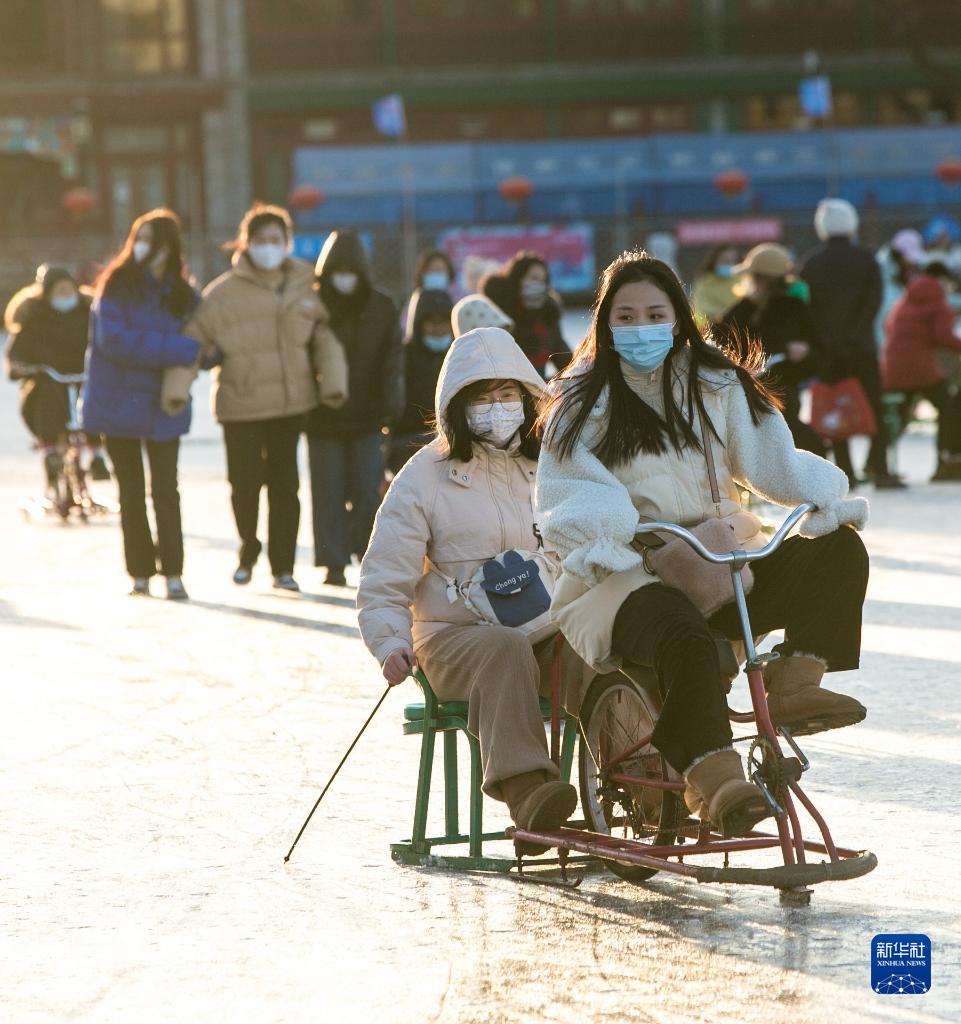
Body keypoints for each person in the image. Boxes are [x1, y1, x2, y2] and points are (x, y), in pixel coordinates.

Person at [536, 251, 869, 839]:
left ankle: (795, 685)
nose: (641, 328)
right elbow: (570, 491)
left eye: (655, 313)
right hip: (622, 569)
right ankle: (715, 781)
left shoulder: (714, 381)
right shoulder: (580, 400)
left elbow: (770, 459)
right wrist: (616, 535)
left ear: (679, 316)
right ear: (605, 323)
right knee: (684, 637)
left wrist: (820, 495)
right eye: (627, 316)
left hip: (721, 560)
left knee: (838, 551)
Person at [358, 327, 589, 849]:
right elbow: (384, 576)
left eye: (508, 396)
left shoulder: (548, 468)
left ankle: (637, 770)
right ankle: (529, 790)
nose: (497, 408)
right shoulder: (424, 476)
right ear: (457, 408)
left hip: (546, 621)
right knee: (503, 649)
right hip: (455, 639)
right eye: (482, 399)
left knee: (594, 645)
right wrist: (390, 641)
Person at [185, 204, 348, 590]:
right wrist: (177, 387)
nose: (268, 248)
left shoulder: (307, 285)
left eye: (276, 240)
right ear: (246, 244)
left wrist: (333, 383)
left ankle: (283, 566)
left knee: (285, 487)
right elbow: (193, 341)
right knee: (243, 485)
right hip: (240, 404)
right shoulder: (222, 293)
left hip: (291, 404)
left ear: (287, 243)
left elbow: (325, 339)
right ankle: (247, 548)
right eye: (260, 241)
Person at [83, 209, 202, 599]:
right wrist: (180, 350)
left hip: (163, 405)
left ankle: (173, 572)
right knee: (130, 490)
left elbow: (206, 340)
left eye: (152, 239)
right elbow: (115, 341)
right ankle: (139, 571)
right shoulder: (114, 286)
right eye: (139, 237)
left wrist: (198, 353)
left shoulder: (183, 293)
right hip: (117, 403)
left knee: (166, 489)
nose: (143, 247)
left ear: (169, 246)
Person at [307, 230, 403, 587]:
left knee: (366, 492)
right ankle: (332, 562)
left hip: (367, 415)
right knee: (327, 492)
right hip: (322, 417)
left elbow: (393, 358)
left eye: (350, 269)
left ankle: (367, 558)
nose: (343, 276)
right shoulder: (313, 305)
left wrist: (389, 403)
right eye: (337, 269)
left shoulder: (381, 306)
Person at [800, 198, 903, 488]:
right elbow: (873, 303)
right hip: (863, 347)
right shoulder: (867, 259)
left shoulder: (811, 263)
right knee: (874, 407)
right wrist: (855, 335)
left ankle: (847, 472)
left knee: (835, 410)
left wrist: (829, 340)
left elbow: (809, 308)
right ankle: (881, 469)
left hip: (828, 351)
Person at [4, 264, 110, 488]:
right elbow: (17, 353)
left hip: (84, 375)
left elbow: (104, 343)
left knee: (93, 401)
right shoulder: (33, 317)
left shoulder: (88, 314)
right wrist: (21, 367)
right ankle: (51, 453)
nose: (65, 295)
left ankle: (97, 454)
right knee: (44, 397)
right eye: (59, 290)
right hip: (49, 379)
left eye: (68, 289)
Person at [717, 243, 824, 455]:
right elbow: (718, 341)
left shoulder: (792, 308)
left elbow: (819, 353)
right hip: (753, 389)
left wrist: (804, 353)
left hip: (776, 391)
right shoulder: (745, 308)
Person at [882, 261, 961, 482]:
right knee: (949, 408)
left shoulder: (905, 299)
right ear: (941, 279)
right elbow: (943, 335)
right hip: (921, 368)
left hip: (894, 366)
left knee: (896, 416)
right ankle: (947, 461)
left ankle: (875, 463)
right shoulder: (937, 301)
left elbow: (887, 327)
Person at [387, 287, 454, 475]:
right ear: (418, 324)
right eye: (431, 322)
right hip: (409, 442)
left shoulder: (459, 355)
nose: (438, 328)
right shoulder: (404, 357)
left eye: (443, 322)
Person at [482, 252, 571, 377]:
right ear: (517, 279)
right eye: (534, 278)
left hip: (537, 389)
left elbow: (563, 359)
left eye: (543, 280)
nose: (538, 285)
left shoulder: (547, 314)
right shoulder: (497, 312)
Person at [875, 229, 925, 349]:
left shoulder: (903, 276)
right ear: (898, 255)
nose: (912, 263)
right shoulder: (884, 283)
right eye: (908, 258)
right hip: (888, 351)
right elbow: (880, 323)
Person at [399, 249, 463, 333]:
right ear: (422, 274)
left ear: (449, 273)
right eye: (431, 270)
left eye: (439, 270)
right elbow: (405, 327)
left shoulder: (458, 298)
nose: (435, 273)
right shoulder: (416, 299)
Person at [691, 244, 741, 324]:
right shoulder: (705, 282)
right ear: (715, 262)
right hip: (709, 326)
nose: (729, 265)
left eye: (732, 261)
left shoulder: (742, 280)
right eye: (725, 261)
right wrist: (723, 314)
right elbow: (701, 307)